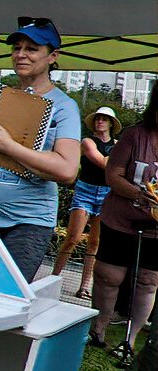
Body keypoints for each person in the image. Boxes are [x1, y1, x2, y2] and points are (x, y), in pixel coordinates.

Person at [0, 18, 81, 279]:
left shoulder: (63, 106)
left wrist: (9, 147)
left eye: (32, 48)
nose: (21, 54)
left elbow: (68, 170)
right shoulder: (1, 97)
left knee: (4, 301)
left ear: (52, 56)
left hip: (26, 224)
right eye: (17, 47)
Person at [88, 85, 156, 355]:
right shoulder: (135, 135)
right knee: (108, 276)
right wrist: (139, 194)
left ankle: (130, 339)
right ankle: (99, 328)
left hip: (156, 230)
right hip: (121, 219)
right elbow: (113, 174)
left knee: (149, 281)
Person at [52, 107, 121, 296]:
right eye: (98, 119)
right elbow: (103, 162)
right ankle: (53, 278)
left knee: (94, 242)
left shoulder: (117, 144)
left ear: (111, 124)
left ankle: (84, 287)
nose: (100, 122)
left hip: (106, 193)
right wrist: (116, 163)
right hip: (86, 190)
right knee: (72, 238)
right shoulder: (88, 141)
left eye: (104, 119)